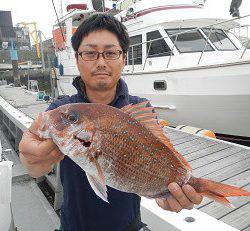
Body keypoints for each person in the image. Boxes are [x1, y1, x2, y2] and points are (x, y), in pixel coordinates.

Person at [19, 14, 203, 231]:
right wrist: (31, 159)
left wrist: (168, 195)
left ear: (123, 58)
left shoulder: (140, 108)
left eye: (110, 52)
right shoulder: (62, 110)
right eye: (89, 53)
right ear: (77, 59)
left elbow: (158, 162)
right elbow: (34, 168)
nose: (100, 62)